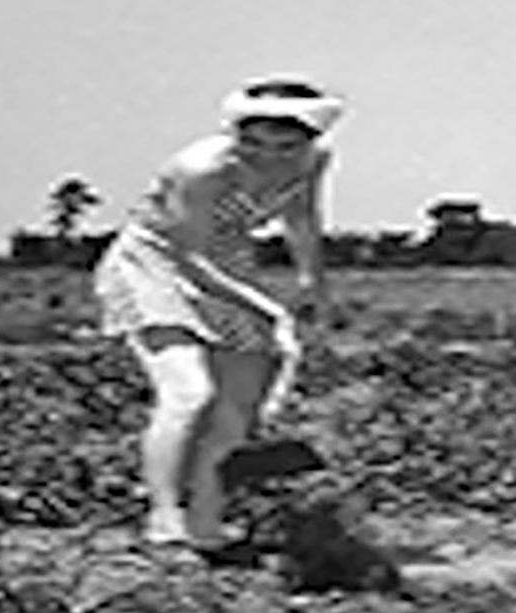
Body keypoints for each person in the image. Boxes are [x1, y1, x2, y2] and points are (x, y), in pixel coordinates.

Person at [93, 74, 346, 555]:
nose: (268, 157)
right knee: (189, 391)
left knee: (239, 405)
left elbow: (302, 217)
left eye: (284, 146)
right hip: (157, 265)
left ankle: (206, 523)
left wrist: (313, 283)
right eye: (253, 144)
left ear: (311, 139)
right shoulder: (200, 170)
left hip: (228, 261)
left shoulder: (313, 162)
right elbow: (189, 256)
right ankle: (164, 517)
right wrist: (267, 307)